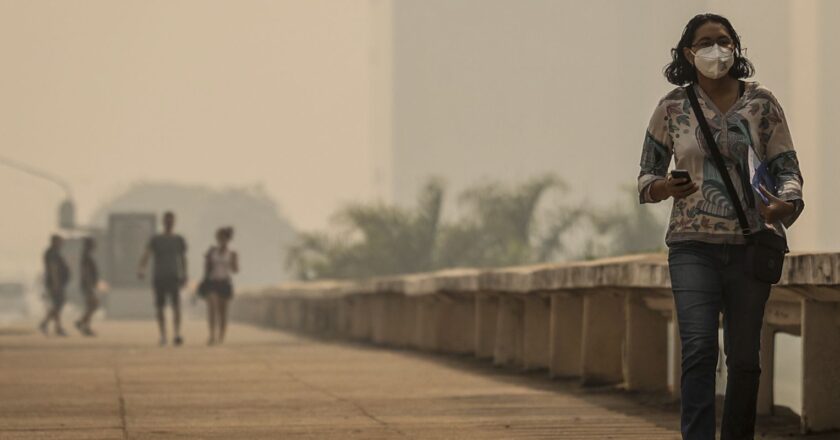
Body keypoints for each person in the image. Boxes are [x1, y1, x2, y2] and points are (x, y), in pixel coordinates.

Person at [637, 14, 804, 440]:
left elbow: (787, 168)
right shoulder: (671, 107)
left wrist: (786, 203)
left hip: (751, 246)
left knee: (745, 357)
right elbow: (645, 178)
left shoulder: (761, 104)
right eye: (707, 42)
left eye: (724, 40)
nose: (717, 49)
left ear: (736, 47)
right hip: (692, 245)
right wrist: (665, 187)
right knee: (698, 349)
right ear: (688, 53)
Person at [138, 211, 188, 346]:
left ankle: (177, 333)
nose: (169, 223)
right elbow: (147, 254)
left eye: (171, 220)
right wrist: (142, 268)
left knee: (176, 306)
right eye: (167, 220)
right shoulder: (156, 239)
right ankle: (163, 335)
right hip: (159, 276)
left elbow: (183, 258)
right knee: (160, 308)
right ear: (163, 222)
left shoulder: (179, 240)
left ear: (174, 222)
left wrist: (185, 274)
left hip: (174, 276)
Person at [198, 227, 239, 345]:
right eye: (219, 238)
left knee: (223, 312)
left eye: (224, 238)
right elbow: (206, 268)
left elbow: (235, 270)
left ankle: (221, 335)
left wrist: (233, 261)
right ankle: (212, 335)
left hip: (225, 283)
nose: (221, 240)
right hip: (212, 283)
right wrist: (207, 259)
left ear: (227, 239)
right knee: (212, 308)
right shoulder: (212, 252)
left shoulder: (232, 253)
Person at [39, 235, 70, 336]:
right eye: (60, 242)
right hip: (55, 283)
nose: (62, 244)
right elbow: (53, 269)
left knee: (57, 305)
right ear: (54, 242)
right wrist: (56, 283)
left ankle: (53, 326)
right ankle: (50, 325)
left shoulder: (53, 252)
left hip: (56, 283)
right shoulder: (52, 253)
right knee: (58, 304)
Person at [75, 237, 99, 336]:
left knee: (92, 305)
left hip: (88, 285)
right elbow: (85, 272)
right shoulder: (86, 257)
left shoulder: (87, 256)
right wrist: (89, 285)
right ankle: (84, 326)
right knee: (93, 304)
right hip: (87, 285)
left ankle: (82, 323)